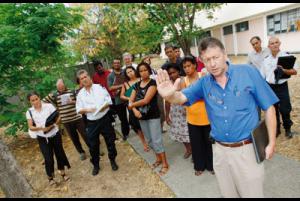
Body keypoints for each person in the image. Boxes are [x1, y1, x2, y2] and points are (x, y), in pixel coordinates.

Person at [156, 37, 278, 198]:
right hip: (220, 152)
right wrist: (170, 95)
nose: (212, 64)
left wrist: (271, 143)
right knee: (228, 195)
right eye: (207, 60)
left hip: (247, 149)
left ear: (225, 55)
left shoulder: (247, 73)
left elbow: (269, 107)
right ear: (202, 61)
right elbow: (181, 98)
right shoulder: (204, 83)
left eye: (216, 57)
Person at [128, 62, 169, 176]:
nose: (143, 72)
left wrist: (132, 105)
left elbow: (146, 100)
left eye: (145, 70)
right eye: (140, 71)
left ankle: (165, 163)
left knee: (157, 140)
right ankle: (158, 159)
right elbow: (129, 101)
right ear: (138, 72)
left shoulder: (153, 83)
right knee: (149, 140)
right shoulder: (136, 85)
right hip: (141, 117)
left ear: (149, 70)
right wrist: (135, 110)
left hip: (153, 116)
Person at [76, 69, 118, 176]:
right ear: (80, 82)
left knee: (110, 141)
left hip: (104, 119)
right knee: (93, 145)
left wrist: (105, 107)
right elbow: (79, 110)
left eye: (85, 77)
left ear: (89, 77)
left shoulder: (99, 88)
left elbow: (108, 100)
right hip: (92, 122)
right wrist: (88, 110)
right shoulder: (80, 94)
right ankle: (96, 165)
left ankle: (112, 160)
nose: (84, 79)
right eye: (82, 79)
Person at [26, 92, 71, 186]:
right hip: (42, 137)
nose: (35, 101)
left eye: (36, 99)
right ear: (30, 102)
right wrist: (41, 128)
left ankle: (62, 173)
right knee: (48, 158)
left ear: (39, 97)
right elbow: (30, 127)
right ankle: (50, 177)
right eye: (32, 100)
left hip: (55, 134)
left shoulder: (49, 106)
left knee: (59, 154)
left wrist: (53, 125)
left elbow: (58, 117)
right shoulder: (29, 112)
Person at [181, 55, 213, 176]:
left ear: (195, 65)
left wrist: (193, 97)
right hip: (192, 119)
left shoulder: (203, 76)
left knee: (209, 143)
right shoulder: (183, 81)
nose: (187, 69)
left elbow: (208, 94)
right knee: (196, 144)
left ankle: (211, 166)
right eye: (184, 67)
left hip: (207, 117)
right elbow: (183, 100)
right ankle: (199, 166)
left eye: (189, 66)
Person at [261, 36, 298, 138]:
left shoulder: (287, 56)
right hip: (270, 87)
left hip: (282, 86)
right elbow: (262, 76)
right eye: (272, 43)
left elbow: (294, 71)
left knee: (285, 109)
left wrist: (284, 70)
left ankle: (288, 128)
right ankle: (276, 129)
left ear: (279, 43)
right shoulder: (266, 60)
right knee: (273, 109)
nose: (274, 45)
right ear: (269, 46)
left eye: (276, 42)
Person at [43, 79, 89, 161]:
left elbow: (81, 102)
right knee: (74, 138)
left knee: (85, 134)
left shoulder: (72, 91)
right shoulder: (54, 95)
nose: (60, 89)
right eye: (59, 87)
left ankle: (93, 148)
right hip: (66, 121)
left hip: (77, 118)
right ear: (56, 87)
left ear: (65, 85)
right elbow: (43, 102)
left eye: (62, 87)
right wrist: (52, 110)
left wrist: (73, 102)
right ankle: (81, 152)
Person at [164, 63, 192, 159]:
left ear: (179, 71)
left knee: (191, 132)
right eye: (169, 73)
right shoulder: (168, 84)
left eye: (173, 72)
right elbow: (167, 101)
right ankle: (188, 150)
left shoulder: (186, 80)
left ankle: (196, 151)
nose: (172, 75)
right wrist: (167, 115)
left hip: (188, 110)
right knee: (180, 132)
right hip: (176, 112)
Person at [120, 66, 149, 151]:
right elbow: (122, 96)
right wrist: (129, 98)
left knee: (147, 123)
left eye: (131, 71)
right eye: (128, 72)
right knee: (137, 127)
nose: (130, 73)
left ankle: (151, 140)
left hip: (143, 104)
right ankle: (144, 143)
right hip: (132, 106)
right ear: (126, 75)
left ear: (134, 70)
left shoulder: (141, 79)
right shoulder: (125, 84)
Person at [142, 55, 166, 132]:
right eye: (145, 60)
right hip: (148, 93)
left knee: (161, 109)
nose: (147, 61)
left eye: (148, 60)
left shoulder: (154, 70)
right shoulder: (141, 73)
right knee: (152, 110)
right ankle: (154, 128)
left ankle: (161, 127)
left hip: (158, 92)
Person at [107, 59, 130, 141]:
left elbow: (130, 80)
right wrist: (122, 85)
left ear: (120, 64)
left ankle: (138, 129)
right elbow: (110, 88)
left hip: (129, 96)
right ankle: (125, 133)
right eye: (115, 63)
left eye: (118, 63)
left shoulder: (125, 72)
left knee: (133, 115)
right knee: (123, 119)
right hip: (118, 99)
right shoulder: (110, 76)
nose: (117, 64)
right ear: (113, 65)